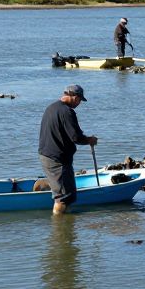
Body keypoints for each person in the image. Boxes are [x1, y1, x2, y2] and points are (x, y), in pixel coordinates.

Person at [39, 85, 98, 214]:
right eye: (80, 100)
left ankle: (49, 184)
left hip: (47, 155)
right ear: (75, 97)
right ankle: (60, 230)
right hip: (57, 159)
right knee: (63, 198)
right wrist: (90, 140)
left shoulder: (51, 108)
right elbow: (76, 137)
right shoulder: (67, 112)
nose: (79, 103)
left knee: (68, 194)